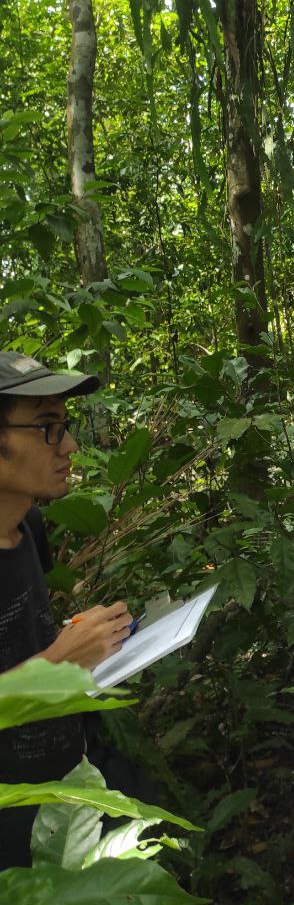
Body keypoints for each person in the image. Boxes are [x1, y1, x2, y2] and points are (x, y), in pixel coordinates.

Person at [0, 351, 133, 874]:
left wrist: (84, 647)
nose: (70, 445)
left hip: (72, 784)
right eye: (48, 427)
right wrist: (59, 662)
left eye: (65, 425)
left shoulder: (29, 525)